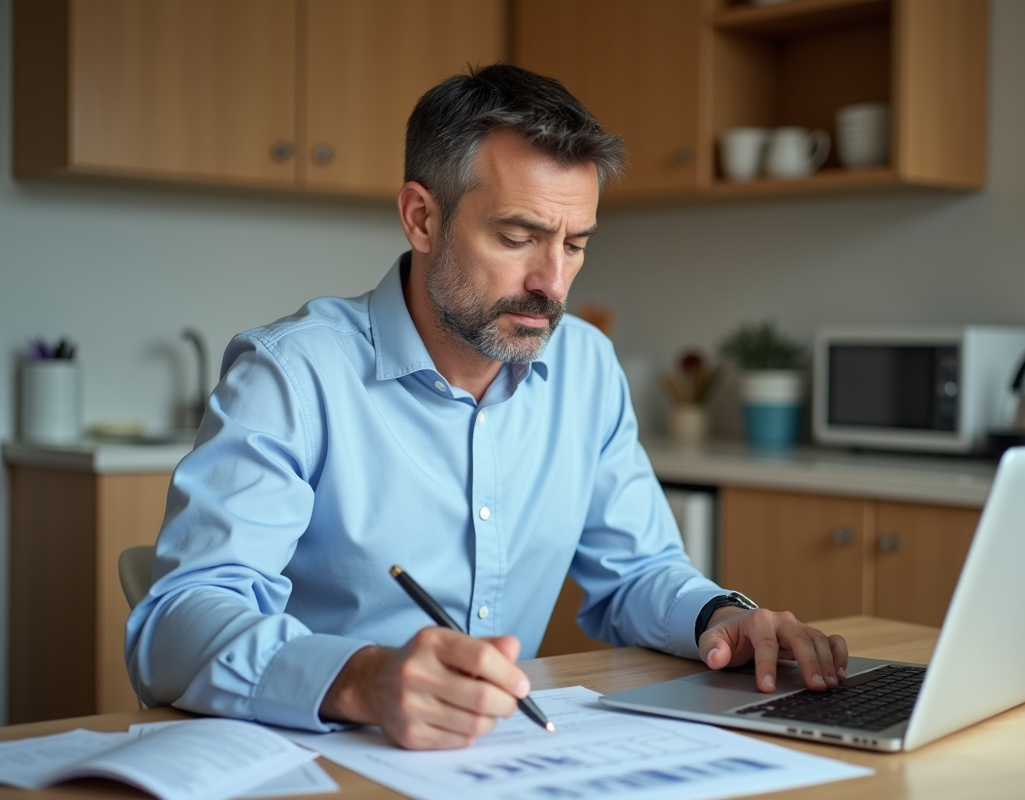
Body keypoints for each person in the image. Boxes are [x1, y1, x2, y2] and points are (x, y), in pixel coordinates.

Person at [125, 64, 848, 751]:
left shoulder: (586, 366)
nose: (552, 283)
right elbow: (175, 625)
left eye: (576, 244)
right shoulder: (292, 375)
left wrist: (723, 617)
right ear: (421, 219)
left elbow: (636, 572)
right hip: (315, 759)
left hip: (492, 762)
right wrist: (363, 680)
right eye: (518, 237)